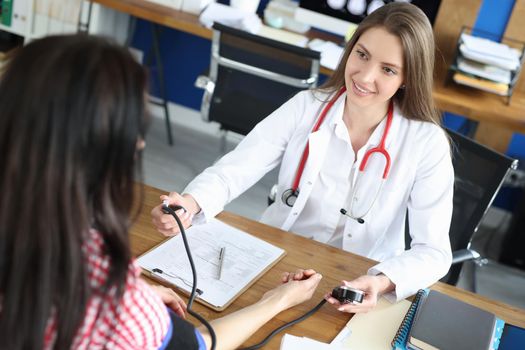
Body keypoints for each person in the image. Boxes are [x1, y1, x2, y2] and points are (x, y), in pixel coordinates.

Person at [0, 34, 322, 350]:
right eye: (138, 129)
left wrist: (136, 297)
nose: (141, 143)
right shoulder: (110, 295)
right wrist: (277, 301)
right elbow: (199, 345)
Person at [151, 2, 454, 313]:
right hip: (280, 261)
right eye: (361, 55)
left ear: (407, 77)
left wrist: (382, 282)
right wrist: (191, 203)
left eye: (387, 69)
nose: (364, 76)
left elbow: (434, 252)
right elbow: (235, 170)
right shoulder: (307, 106)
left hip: (361, 282)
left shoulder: (426, 144)